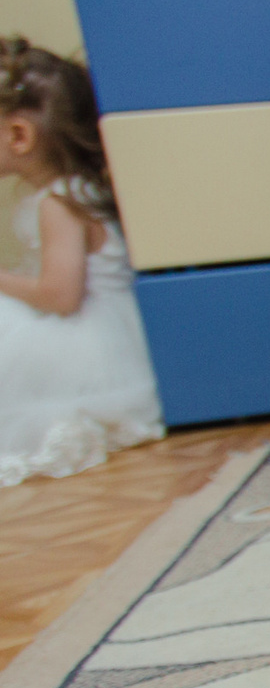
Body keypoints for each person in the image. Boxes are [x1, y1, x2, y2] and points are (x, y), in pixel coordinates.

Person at [0, 41, 162, 485]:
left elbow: (60, 296)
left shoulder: (58, 203)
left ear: (19, 136)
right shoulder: (73, 192)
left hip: (88, 341)